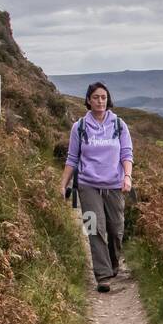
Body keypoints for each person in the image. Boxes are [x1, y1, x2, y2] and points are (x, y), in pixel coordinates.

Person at [60, 82, 133, 292]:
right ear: (88, 101)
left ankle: (112, 265)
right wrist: (62, 184)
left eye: (103, 97)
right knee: (94, 229)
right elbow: (72, 158)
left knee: (116, 229)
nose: (100, 101)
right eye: (95, 97)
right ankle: (103, 276)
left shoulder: (119, 125)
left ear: (108, 99)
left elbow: (126, 154)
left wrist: (127, 176)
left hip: (114, 185)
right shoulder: (79, 127)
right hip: (88, 185)